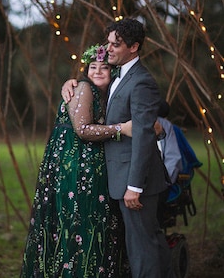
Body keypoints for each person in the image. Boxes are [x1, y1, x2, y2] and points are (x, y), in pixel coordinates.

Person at [62, 18, 173, 278]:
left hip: (135, 182)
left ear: (134, 47)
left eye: (116, 44)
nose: (108, 49)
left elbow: (144, 135)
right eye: (108, 43)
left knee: (141, 247)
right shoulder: (119, 77)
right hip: (123, 178)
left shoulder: (140, 81)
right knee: (150, 240)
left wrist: (134, 186)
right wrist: (71, 82)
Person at [20, 44, 132, 277]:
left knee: (88, 220)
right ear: (86, 70)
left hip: (85, 163)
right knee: (77, 218)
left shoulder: (105, 94)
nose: (98, 71)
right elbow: (82, 129)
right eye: (93, 67)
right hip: (73, 164)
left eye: (104, 67)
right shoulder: (83, 88)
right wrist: (122, 129)